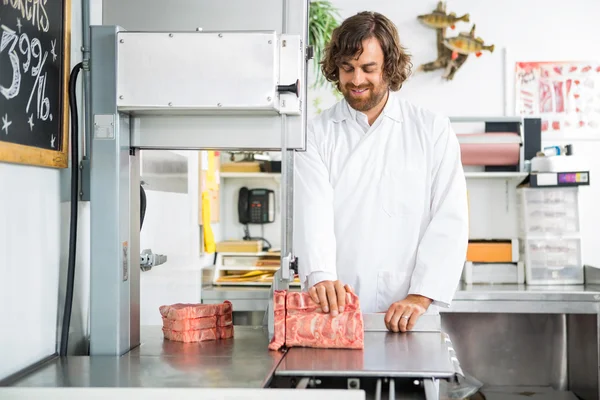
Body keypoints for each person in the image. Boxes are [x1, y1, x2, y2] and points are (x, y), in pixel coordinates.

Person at [294, 11, 469, 333]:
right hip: (334, 307)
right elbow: (311, 209)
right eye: (347, 69)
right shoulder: (314, 133)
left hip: (410, 310)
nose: (356, 80)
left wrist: (420, 295)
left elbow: (449, 217)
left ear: (389, 67)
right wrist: (320, 275)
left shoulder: (431, 129)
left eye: (368, 69)